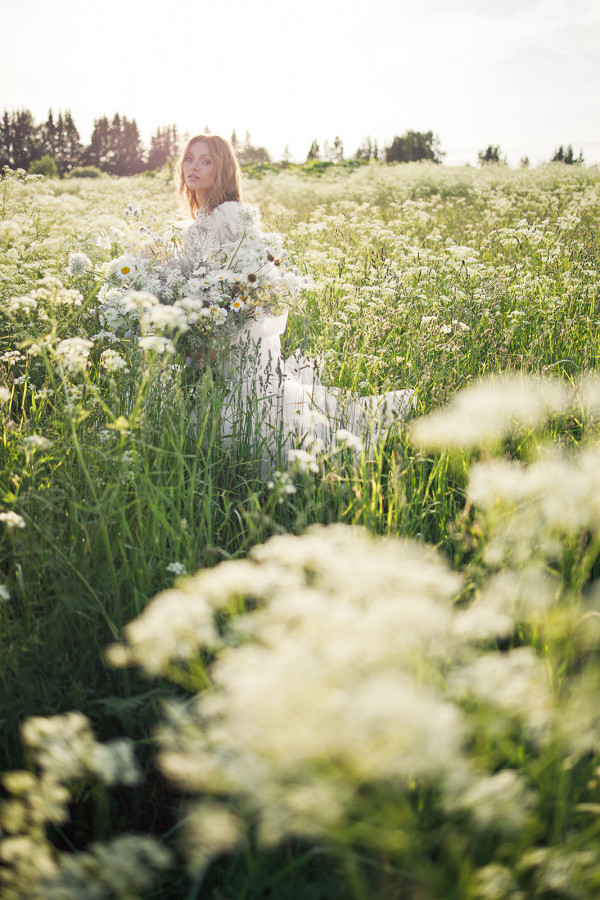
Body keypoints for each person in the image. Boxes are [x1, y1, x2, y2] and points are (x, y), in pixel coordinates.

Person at [175, 134, 413, 466]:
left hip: (239, 339)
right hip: (208, 340)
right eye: (189, 158)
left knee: (259, 419)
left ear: (223, 169)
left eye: (206, 161)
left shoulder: (232, 214)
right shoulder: (193, 226)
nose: (194, 167)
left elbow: (260, 284)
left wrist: (222, 337)